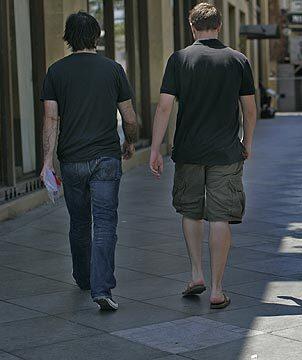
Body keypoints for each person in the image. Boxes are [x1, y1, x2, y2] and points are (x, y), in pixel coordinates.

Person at [149, 2, 257, 310]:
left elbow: (164, 107)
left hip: (188, 150)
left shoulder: (179, 59)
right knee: (220, 217)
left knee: (191, 211)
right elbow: (249, 110)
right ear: (219, 26)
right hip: (226, 150)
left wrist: (155, 148)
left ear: (192, 26)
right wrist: (247, 142)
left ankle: (196, 273)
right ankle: (217, 289)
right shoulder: (238, 60)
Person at [40, 12, 138, 311]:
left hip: (72, 160)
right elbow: (129, 116)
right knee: (106, 223)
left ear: (69, 37)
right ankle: (101, 288)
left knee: (80, 222)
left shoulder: (55, 72)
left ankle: (83, 277)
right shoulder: (113, 69)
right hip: (106, 158)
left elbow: (51, 118)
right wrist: (130, 140)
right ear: (97, 36)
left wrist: (47, 161)